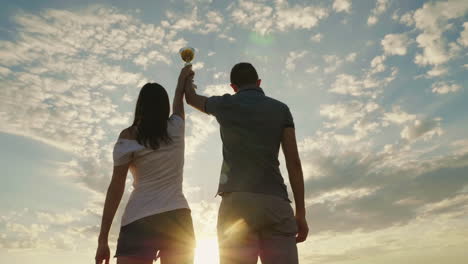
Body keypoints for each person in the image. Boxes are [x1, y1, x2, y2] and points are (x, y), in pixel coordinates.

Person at [184, 62, 309, 264]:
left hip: (236, 204)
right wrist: (300, 213)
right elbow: (293, 163)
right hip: (275, 202)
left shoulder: (224, 104)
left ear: (233, 87)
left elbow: (190, 98)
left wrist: (187, 77)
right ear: (259, 82)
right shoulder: (281, 109)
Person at [95, 66, 196, 264]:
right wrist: (182, 79)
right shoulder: (176, 127)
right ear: (164, 106)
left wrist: (102, 239)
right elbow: (178, 102)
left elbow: (116, 187)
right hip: (176, 217)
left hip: (139, 220)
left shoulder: (128, 136)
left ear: (140, 106)